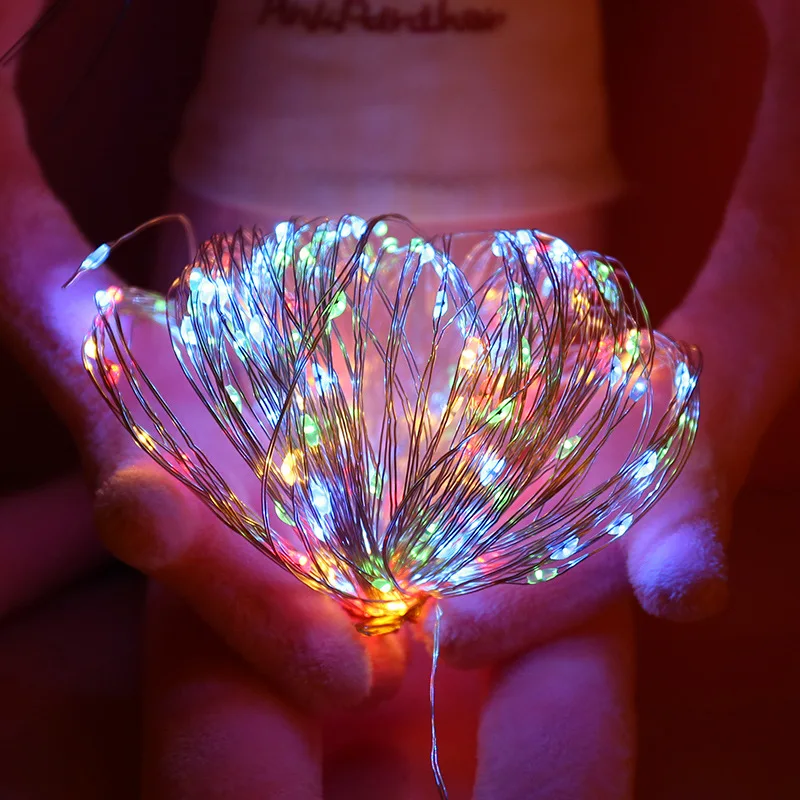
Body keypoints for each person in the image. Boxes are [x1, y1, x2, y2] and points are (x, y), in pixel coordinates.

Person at [1, 1, 798, 797]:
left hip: (520, 390)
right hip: (251, 361)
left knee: (552, 658)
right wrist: (95, 359)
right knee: (228, 650)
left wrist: (732, 356)